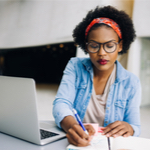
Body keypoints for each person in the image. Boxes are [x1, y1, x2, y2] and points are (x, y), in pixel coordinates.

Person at [53, 5, 141, 147]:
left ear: (120, 45)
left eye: (109, 45)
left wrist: (130, 128)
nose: (101, 53)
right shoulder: (75, 67)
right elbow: (61, 103)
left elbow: (135, 125)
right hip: (78, 144)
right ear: (86, 46)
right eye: (94, 45)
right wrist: (73, 127)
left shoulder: (131, 82)